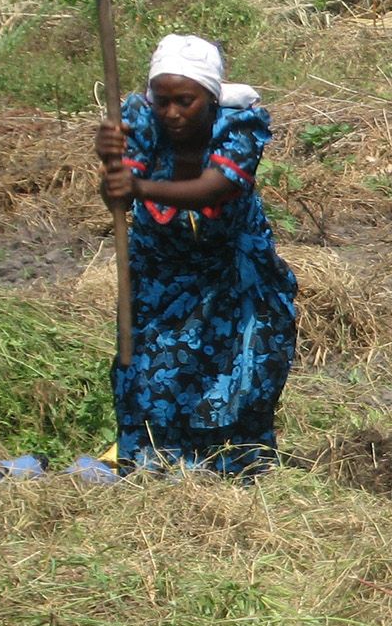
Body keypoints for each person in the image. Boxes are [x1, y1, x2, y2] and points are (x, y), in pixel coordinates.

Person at [94, 34, 297, 474]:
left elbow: (220, 187)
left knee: (241, 374)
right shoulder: (139, 124)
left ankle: (231, 463)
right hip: (158, 280)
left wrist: (141, 187)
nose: (172, 113)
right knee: (150, 374)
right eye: (162, 100)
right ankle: (153, 461)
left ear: (210, 96)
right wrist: (109, 163)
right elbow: (118, 197)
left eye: (185, 101)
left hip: (232, 278)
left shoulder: (238, 127)